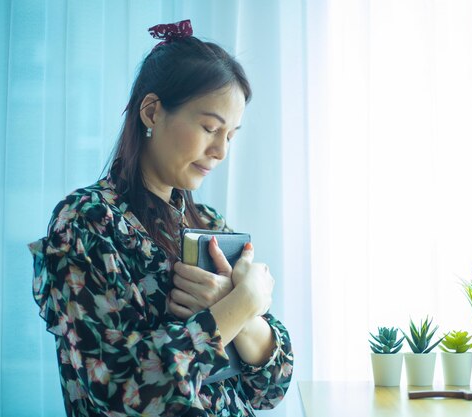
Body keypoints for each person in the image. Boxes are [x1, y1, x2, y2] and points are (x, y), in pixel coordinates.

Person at [28, 19, 293, 417]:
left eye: (231, 135)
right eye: (209, 127)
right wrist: (240, 306)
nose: (221, 150)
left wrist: (241, 305)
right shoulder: (85, 222)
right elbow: (124, 389)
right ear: (152, 111)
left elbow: (270, 388)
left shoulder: (210, 224)